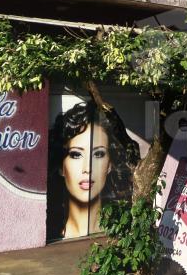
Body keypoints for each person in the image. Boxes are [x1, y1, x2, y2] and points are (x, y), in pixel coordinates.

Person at [47, 102, 139, 240]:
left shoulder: (121, 228)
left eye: (98, 154)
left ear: (109, 165)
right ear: (61, 167)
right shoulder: (50, 234)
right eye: (76, 155)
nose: (88, 169)